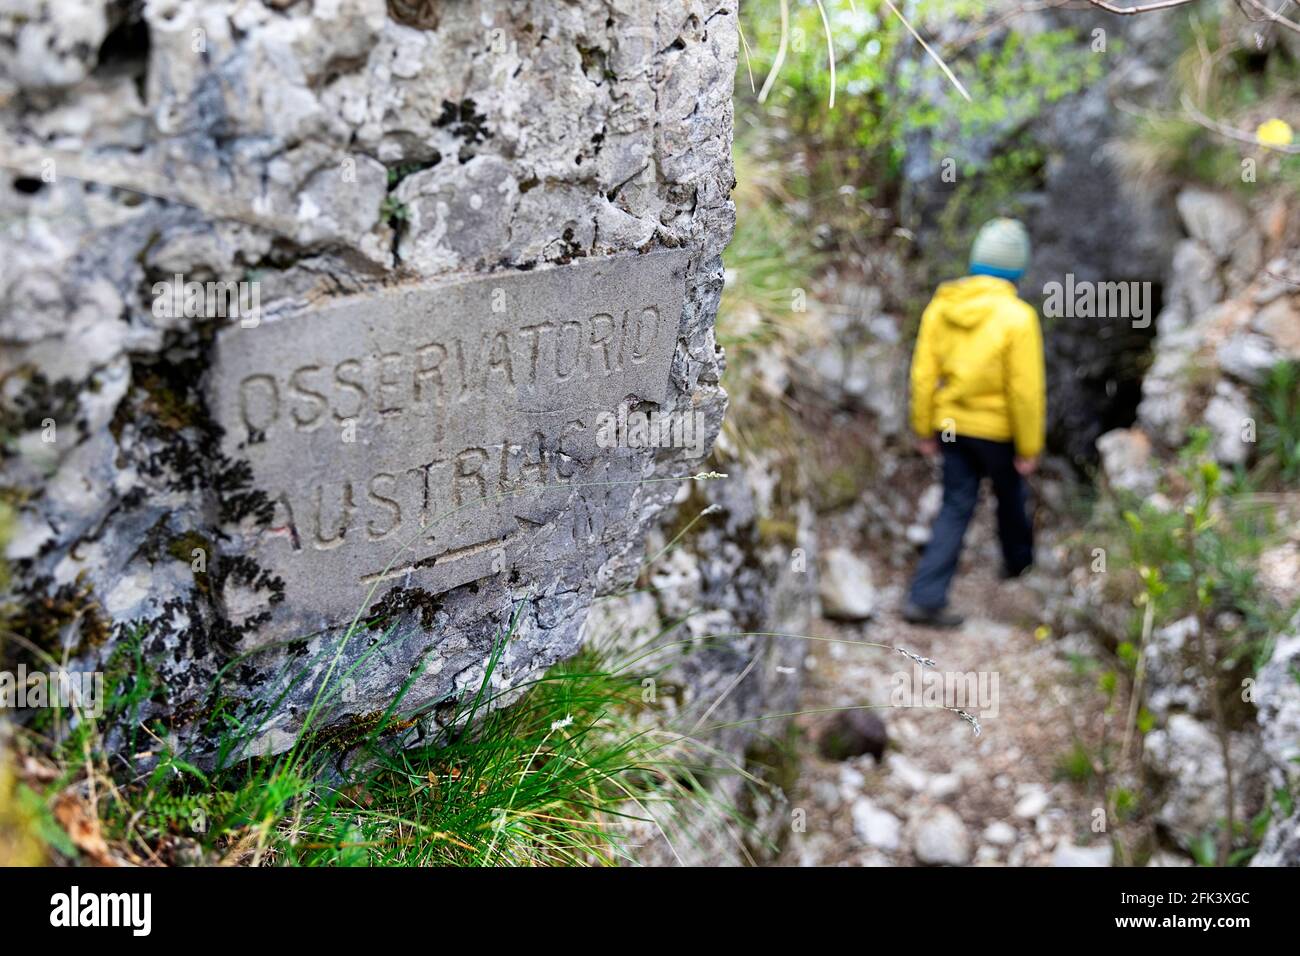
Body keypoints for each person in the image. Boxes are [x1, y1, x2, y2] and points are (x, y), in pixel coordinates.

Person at [902, 218, 1045, 628]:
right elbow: (1025, 391)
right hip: (997, 433)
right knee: (1010, 495)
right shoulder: (1018, 317)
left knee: (955, 505)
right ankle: (1019, 569)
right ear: (1018, 268)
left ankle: (925, 598)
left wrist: (924, 427)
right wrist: (1029, 447)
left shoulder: (942, 306)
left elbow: (923, 374)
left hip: (952, 428)